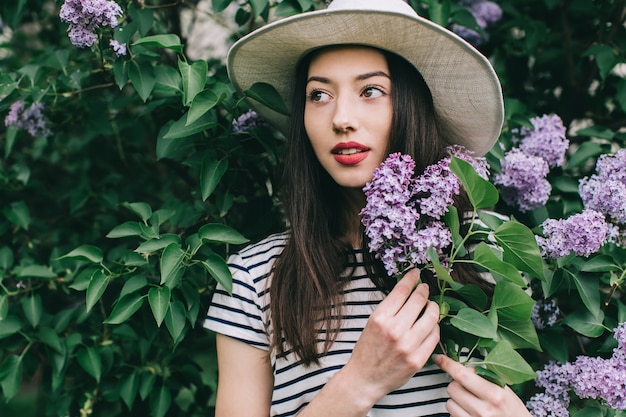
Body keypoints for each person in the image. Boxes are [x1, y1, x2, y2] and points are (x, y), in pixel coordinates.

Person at [204, 0, 533, 416]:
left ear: (411, 106)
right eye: (318, 94)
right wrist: (361, 383)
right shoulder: (253, 281)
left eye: (371, 91)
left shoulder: (485, 249)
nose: (342, 117)